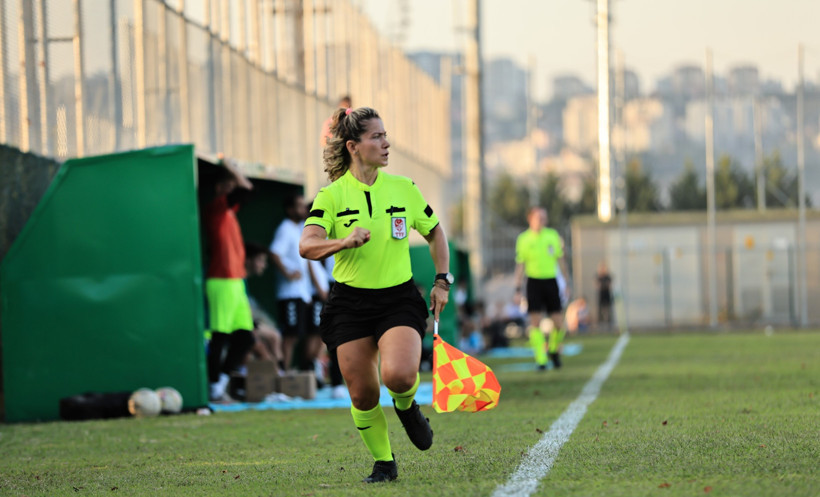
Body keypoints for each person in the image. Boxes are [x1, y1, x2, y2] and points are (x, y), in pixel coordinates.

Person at [299, 106, 450, 483]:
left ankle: (406, 405)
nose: (386, 143)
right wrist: (343, 241)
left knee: (398, 375)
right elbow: (307, 245)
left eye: (385, 135)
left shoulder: (404, 188)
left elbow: (435, 234)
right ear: (353, 146)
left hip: (398, 298)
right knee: (363, 395)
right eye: (376, 137)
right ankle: (384, 463)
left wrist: (442, 281)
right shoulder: (331, 196)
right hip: (349, 304)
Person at [204, 157, 256, 401]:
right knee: (220, 336)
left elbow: (245, 192)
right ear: (219, 188)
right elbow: (245, 188)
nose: (234, 188)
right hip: (221, 279)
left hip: (236, 280)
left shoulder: (230, 211)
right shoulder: (216, 207)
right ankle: (213, 385)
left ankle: (220, 382)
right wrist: (232, 168)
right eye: (229, 184)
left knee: (246, 338)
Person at [513, 207, 570, 370]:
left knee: (559, 324)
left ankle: (553, 349)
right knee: (535, 322)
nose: (542, 220)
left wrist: (566, 283)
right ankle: (541, 358)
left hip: (551, 282)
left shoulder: (552, 235)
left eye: (544, 217)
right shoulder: (523, 239)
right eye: (538, 217)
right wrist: (517, 289)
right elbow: (520, 265)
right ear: (530, 218)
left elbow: (561, 261)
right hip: (534, 283)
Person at [270, 194, 312, 371]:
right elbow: (274, 252)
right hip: (289, 293)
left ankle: (286, 373)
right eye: (299, 206)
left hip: (300, 292)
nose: (303, 210)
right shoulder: (285, 229)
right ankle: (282, 374)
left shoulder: (298, 228)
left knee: (296, 335)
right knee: (290, 336)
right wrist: (287, 273)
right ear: (289, 209)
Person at [244, 242, 285, 369]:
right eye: (260, 260)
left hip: (246, 326)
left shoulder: (243, 280)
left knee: (274, 336)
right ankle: (278, 376)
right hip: (237, 330)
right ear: (248, 260)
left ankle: (280, 373)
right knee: (263, 344)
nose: (264, 265)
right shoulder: (236, 279)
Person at [596, 261, 614, 329]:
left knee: (608, 309)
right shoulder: (599, 276)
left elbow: (609, 284)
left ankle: (609, 323)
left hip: (607, 295)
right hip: (601, 295)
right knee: (600, 309)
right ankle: (600, 323)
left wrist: (604, 285)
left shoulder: (608, 276)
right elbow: (597, 285)